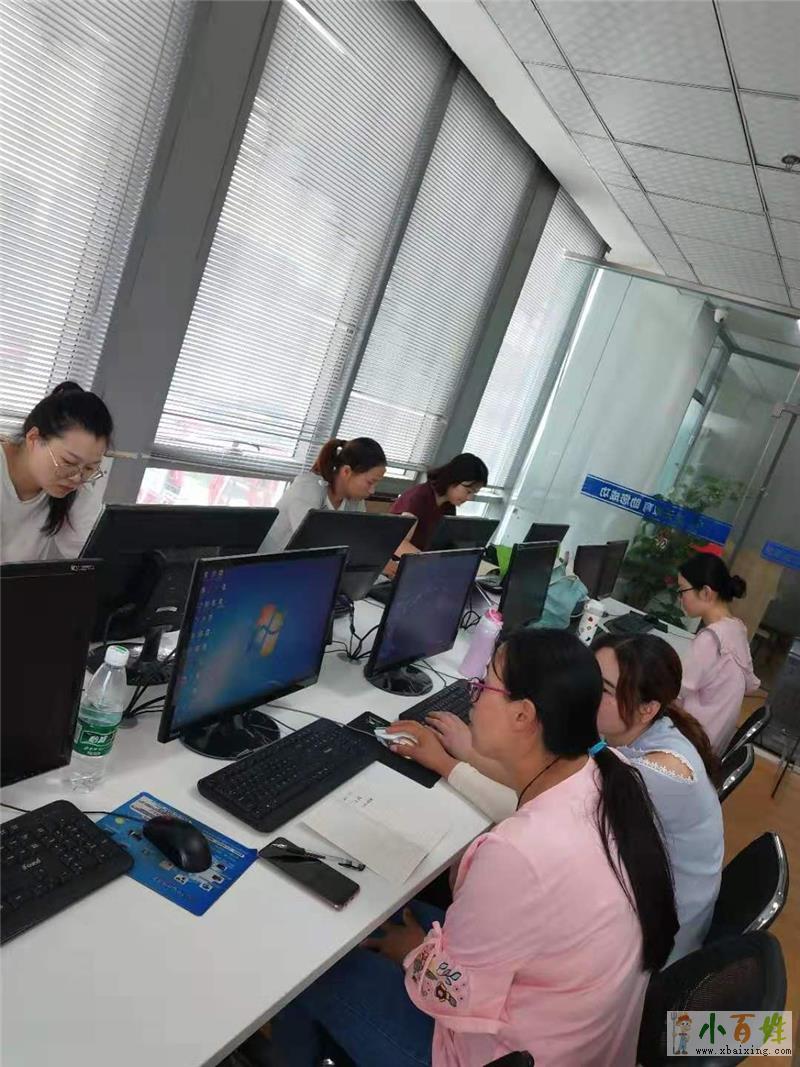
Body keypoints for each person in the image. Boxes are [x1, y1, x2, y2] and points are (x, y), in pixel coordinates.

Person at [269, 630, 678, 1067]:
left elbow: (454, 994)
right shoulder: (606, 777)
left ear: (523, 715)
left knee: (308, 967)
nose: (473, 696)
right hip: (574, 1035)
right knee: (372, 916)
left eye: (484, 685)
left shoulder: (520, 851)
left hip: (494, 1053)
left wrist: (413, 953)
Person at [400, 633, 723, 965]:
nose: (582, 693)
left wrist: (450, 763)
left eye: (604, 690)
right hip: (616, 923)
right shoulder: (637, 736)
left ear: (647, 709)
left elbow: (535, 801)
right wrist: (469, 753)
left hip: (649, 945)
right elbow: (545, 779)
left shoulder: (652, 775)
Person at [1, 382, 112, 564]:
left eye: (89, 468)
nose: (76, 478)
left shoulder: (74, 487)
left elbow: (91, 551)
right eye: (68, 462)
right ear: (33, 439)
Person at [676, 553, 760, 753]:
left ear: (706, 592)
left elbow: (675, 691)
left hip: (688, 743)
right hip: (711, 744)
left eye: (682, 590)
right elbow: (752, 684)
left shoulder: (711, 639)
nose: (680, 598)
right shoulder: (736, 628)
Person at [258, 437, 386, 552]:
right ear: (346, 471)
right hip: (272, 566)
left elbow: (357, 542)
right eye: (370, 482)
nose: (372, 491)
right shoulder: (307, 488)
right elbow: (314, 545)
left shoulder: (355, 501)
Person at [390, 453, 488, 551]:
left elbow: (445, 543)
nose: (470, 498)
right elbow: (399, 544)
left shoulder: (449, 505)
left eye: (474, 493)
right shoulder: (418, 497)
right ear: (454, 479)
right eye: (469, 491)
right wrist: (428, 558)